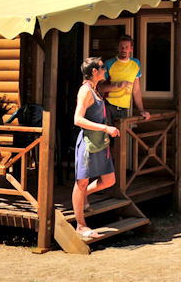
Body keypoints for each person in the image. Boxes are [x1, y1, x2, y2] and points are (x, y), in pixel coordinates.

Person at [73, 57, 121, 239]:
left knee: (109, 180)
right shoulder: (85, 91)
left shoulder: (95, 89)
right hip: (88, 143)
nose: (104, 69)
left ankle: (85, 196)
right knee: (81, 182)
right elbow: (77, 119)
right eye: (102, 67)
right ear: (94, 71)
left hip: (101, 143)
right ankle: (80, 225)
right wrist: (105, 127)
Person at [100, 35, 150, 122]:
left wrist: (141, 110)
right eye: (121, 47)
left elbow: (136, 90)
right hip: (108, 107)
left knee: (121, 135)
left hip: (124, 109)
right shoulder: (109, 63)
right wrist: (117, 85)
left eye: (126, 47)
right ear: (118, 48)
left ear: (131, 49)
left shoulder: (136, 64)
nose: (124, 50)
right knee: (107, 135)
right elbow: (101, 88)